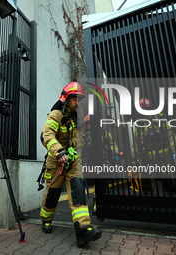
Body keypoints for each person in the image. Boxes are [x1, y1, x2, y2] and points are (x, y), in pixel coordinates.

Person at [39, 82, 102, 247]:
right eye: (75, 99)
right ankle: (46, 220)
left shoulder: (77, 117)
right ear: (65, 98)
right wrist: (59, 151)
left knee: (78, 192)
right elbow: (47, 134)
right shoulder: (56, 114)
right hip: (57, 160)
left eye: (79, 99)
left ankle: (83, 230)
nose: (77, 102)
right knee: (53, 193)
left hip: (74, 161)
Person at [130, 98, 176, 195]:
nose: (145, 110)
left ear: (151, 107)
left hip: (164, 155)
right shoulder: (139, 124)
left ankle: (173, 196)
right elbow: (136, 143)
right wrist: (133, 157)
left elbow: (171, 136)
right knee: (148, 178)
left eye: (147, 108)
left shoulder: (161, 119)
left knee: (168, 177)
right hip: (148, 157)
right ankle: (149, 200)